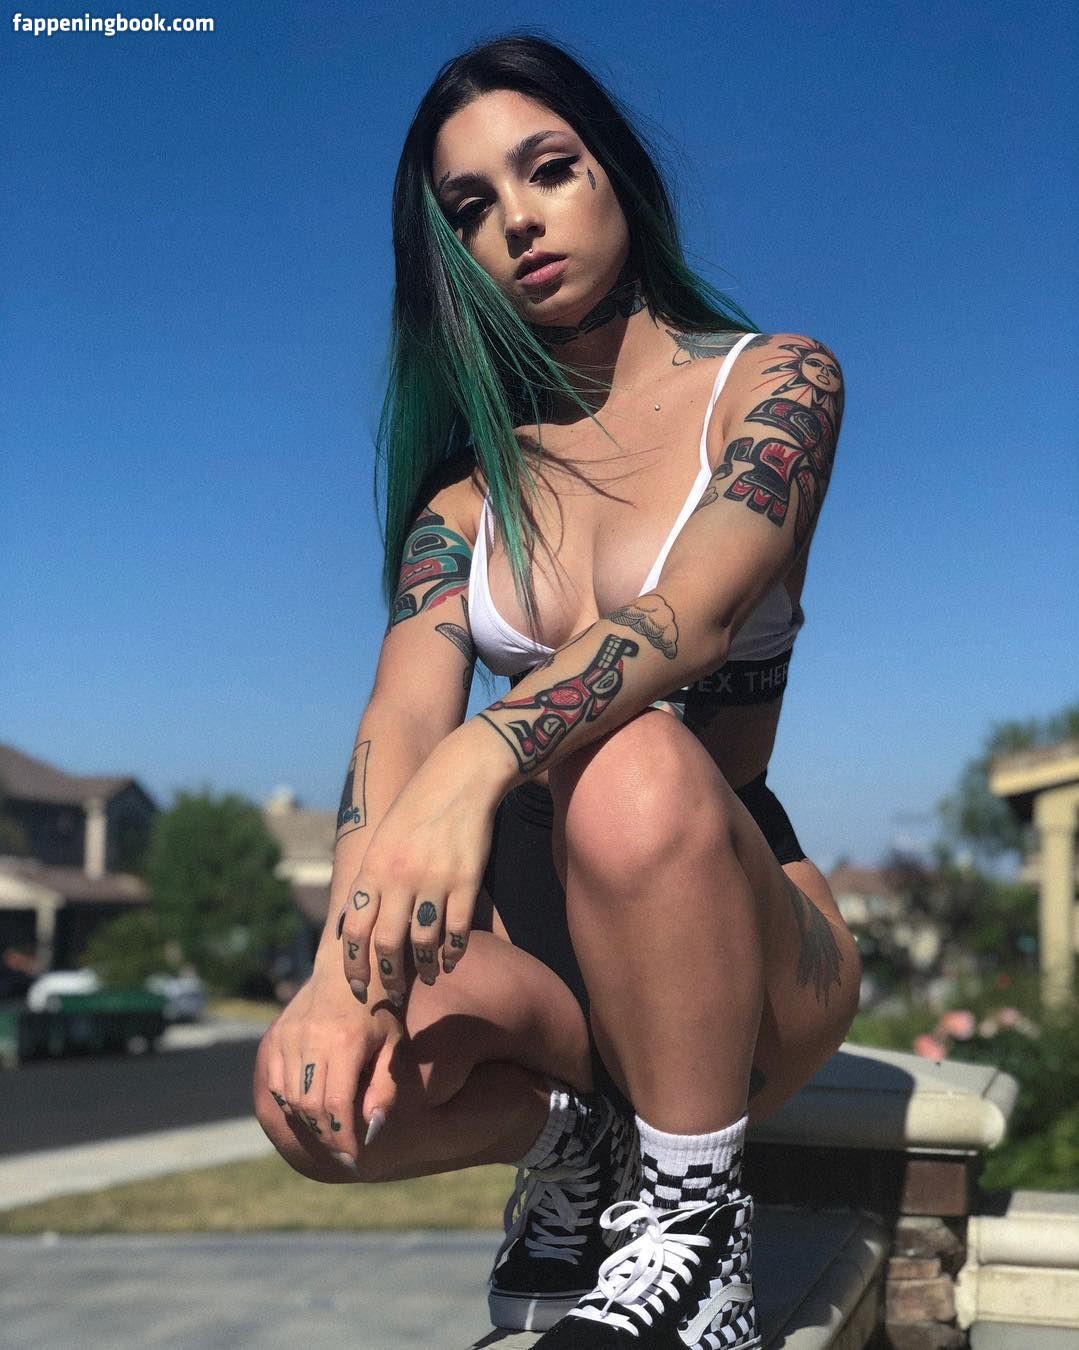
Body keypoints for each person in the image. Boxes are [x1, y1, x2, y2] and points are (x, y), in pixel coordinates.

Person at [253, 33, 861, 1349]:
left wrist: (476, 760)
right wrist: (343, 966)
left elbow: (688, 616)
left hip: (738, 933)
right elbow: (398, 718)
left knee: (623, 754)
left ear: (618, 176)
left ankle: (698, 1231)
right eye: (471, 206)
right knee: (310, 1092)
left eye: (549, 168)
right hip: (546, 952)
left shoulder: (771, 384)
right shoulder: (464, 498)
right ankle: (574, 1140)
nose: (517, 220)